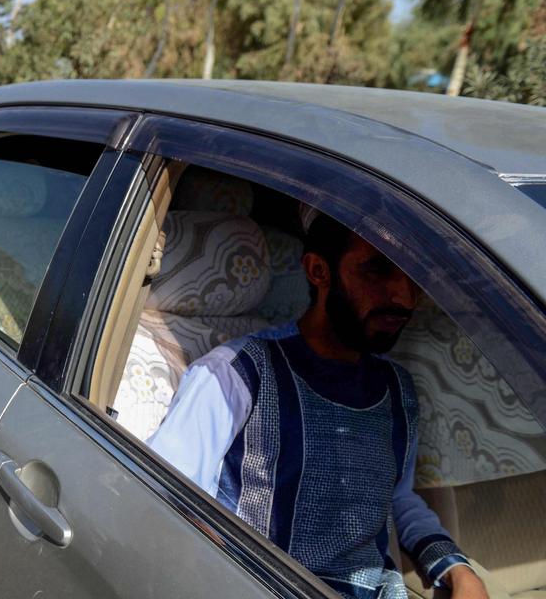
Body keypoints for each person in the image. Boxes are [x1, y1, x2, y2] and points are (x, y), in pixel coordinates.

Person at [147, 208, 489, 599]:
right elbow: (165, 501)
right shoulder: (234, 375)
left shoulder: (397, 389)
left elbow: (398, 497)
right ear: (318, 271)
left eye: (415, 279)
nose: (404, 297)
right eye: (377, 270)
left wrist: (457, 569)